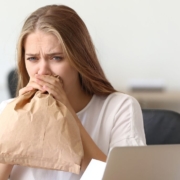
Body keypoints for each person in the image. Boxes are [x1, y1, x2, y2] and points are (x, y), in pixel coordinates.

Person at [0, 4, 146, 180]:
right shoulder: (6, 111)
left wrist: (68, 115)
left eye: (56, 58)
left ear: (79, 59)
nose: (42, 71)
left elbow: (124, 178)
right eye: (32, 58)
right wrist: (17, 125)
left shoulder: (119, 108)